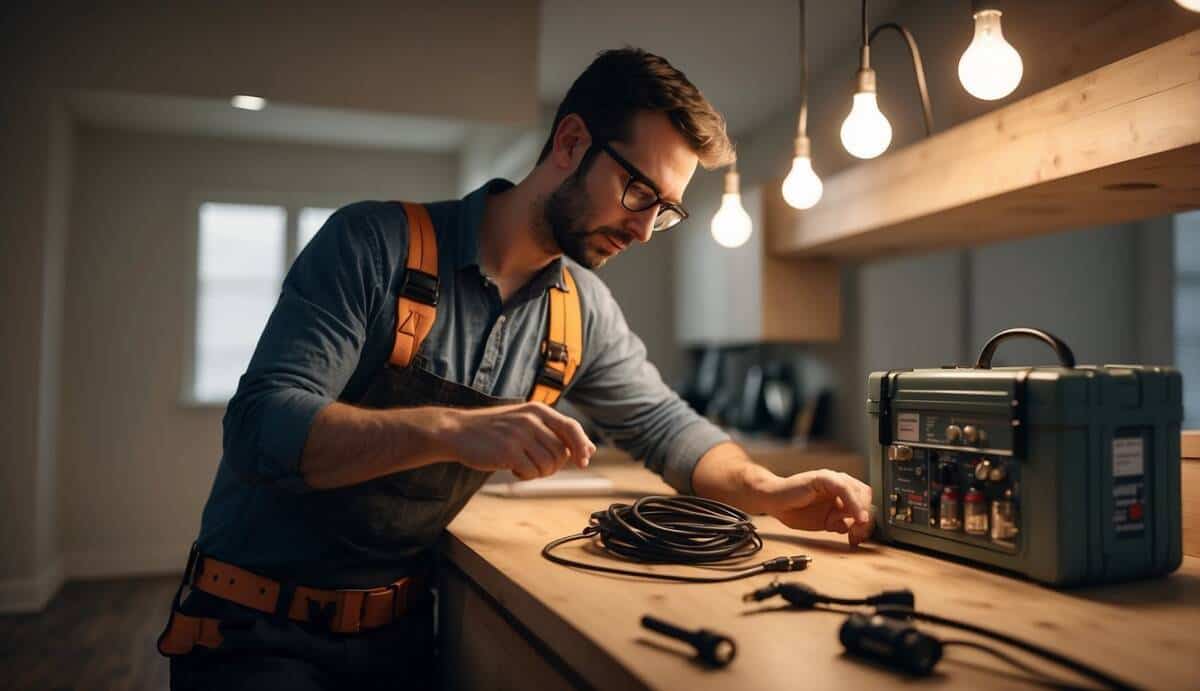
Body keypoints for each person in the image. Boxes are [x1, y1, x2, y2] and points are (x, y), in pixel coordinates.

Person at [160, 47, 873, 690]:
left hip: (402, 638)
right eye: (638, 192)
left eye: (666, 210)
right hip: (254, 632)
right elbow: (260, 425)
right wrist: (450, 429)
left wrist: (771, 489)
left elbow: (666, 426)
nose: (645, 228)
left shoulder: (581, 311)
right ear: (570, 143)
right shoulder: (374, 242)